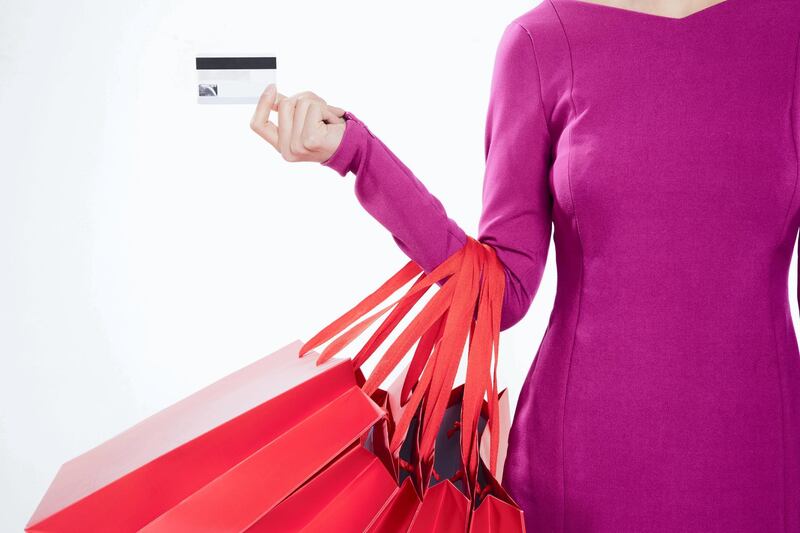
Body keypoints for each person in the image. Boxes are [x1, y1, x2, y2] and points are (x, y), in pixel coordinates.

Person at [249, 0, 800, 530]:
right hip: (582, 463)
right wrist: (358, 153)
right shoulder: (543, 42)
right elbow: (501, 292)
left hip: (765, 455)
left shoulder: (790, 34)